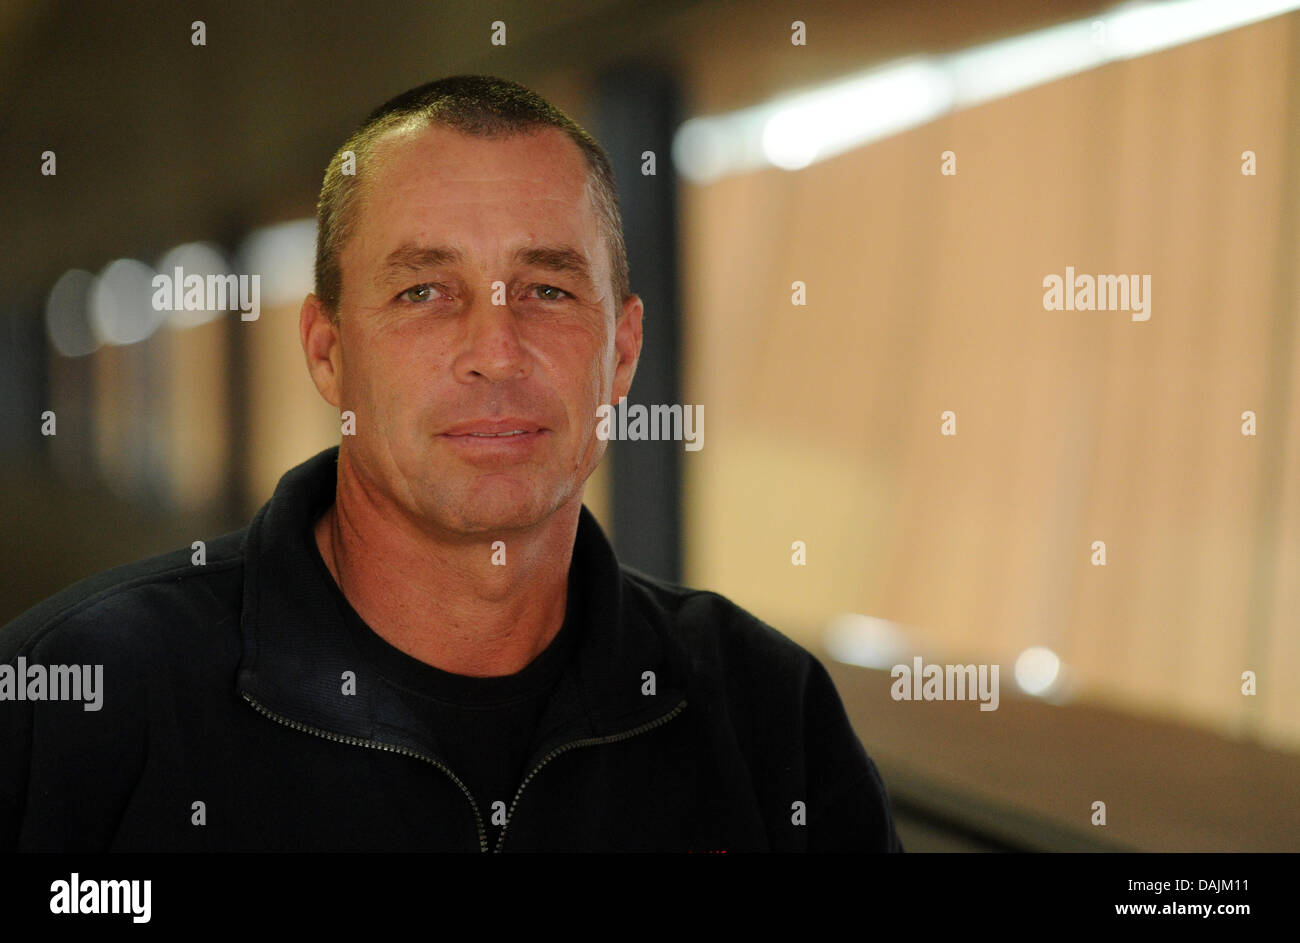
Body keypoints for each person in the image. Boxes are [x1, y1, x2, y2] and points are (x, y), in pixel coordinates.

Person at [0, 75, 902, 852]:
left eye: (547, 290)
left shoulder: (765, 718)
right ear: (328, 351)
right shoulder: (80, 699)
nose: (496, 351)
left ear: (622, 353)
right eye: (424, 291)